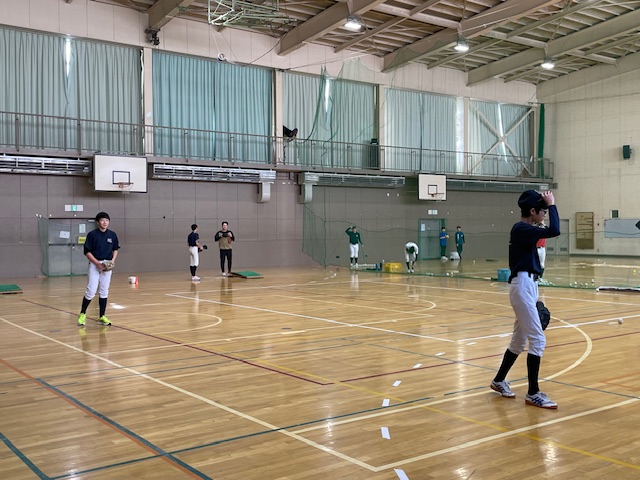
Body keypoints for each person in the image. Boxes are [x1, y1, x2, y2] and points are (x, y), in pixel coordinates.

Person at [490, 190, 560, 409]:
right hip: (522, 286)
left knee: (519, 342)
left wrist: (546, 205)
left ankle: (499, 380)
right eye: (543, 210)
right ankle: (533, 393)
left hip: (528, 285)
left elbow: (548, 230)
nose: (545, 214)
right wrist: (552, 204)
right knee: (538, 340)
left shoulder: (526, 230)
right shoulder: (521, 228)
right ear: (532, 211)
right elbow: (555, 230)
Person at [77, 212, 120, 327]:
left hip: (107, 265)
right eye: (102, 220)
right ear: (97, 222)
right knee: (91, 290)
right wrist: (97, 263)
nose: (105, 222)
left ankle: (102, 316)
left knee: (104, 290)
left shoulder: (112, 235)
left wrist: (112, 261)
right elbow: (87, 251)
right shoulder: (92, 235)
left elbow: (115, 249)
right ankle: (82, 314)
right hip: (95, 264)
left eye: (107, 220)